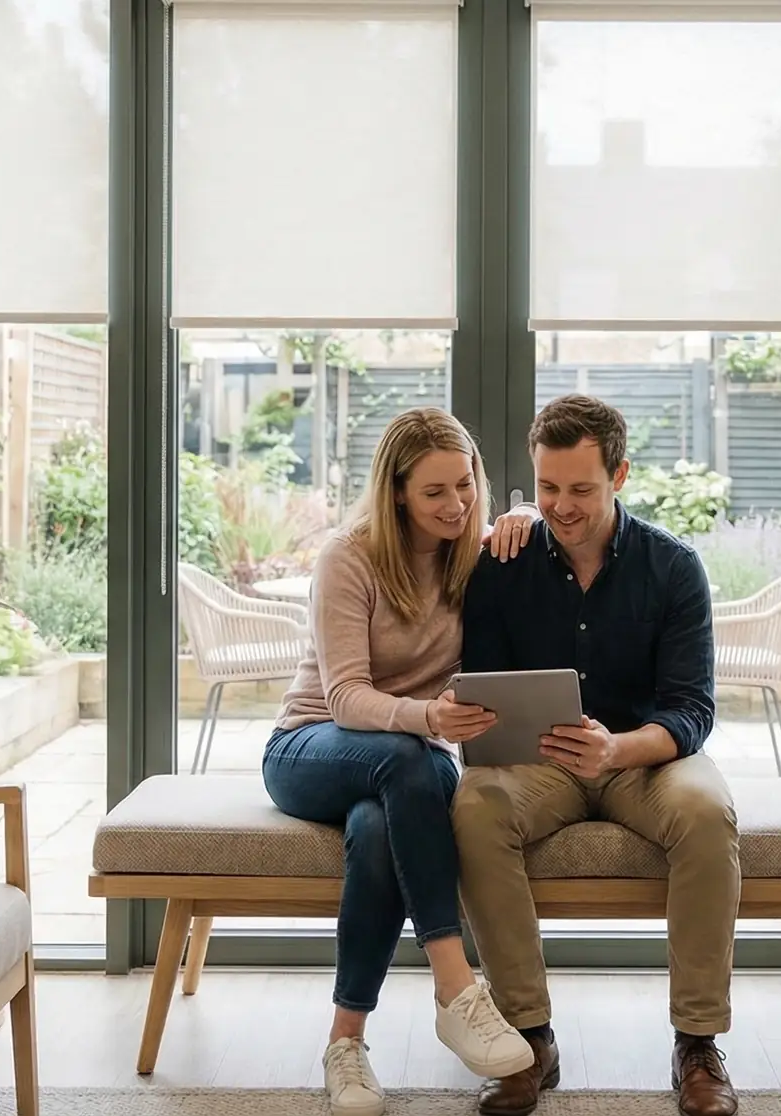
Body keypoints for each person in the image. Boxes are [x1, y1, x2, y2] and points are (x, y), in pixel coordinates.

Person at [454, 394, 741, 1116]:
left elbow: (692, 709)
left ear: (620, 476)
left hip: (644, 758)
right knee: (472, 809)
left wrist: (616, 749)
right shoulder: (503, 562)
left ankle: (697, 1046)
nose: (562, 506)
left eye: (581, 489)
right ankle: (527, 1037)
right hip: (538, 764)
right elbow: (481, 682)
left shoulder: (673, 568)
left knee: (707, 811)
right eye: (547, 488)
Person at [264, 406, 541, 1116]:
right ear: (396, 493)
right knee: (410, 761)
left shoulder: (471, 554)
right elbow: (346, 695)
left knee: (382, 826)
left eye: (466, 485)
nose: (456, 505)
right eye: (435, 493)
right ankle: (455, 984)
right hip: (310, 747)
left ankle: (345, 1045)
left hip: (406, 762)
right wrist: (426, 718)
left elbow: (531, 545)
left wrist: (531, 516)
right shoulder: (348, 557)